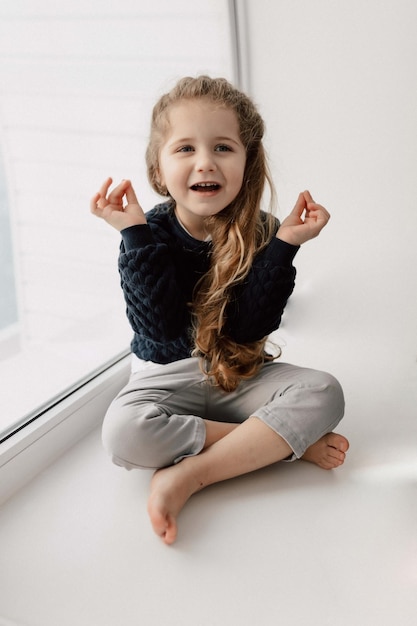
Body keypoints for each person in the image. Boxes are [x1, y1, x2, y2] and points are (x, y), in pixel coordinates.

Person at [90, 75, 349, 545]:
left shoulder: (264, 231)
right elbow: (163, 329)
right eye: (185, 149)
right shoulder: (147, 233)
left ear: (247, 164)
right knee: (124, 433)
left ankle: (191, 475)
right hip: (168, 380)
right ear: (158, 169)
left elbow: (253, 326)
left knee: (325, 392)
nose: (205, 162)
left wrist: (284, 247)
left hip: (239, 374)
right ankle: (273, 441)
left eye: (223, 148)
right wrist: (133, 237)